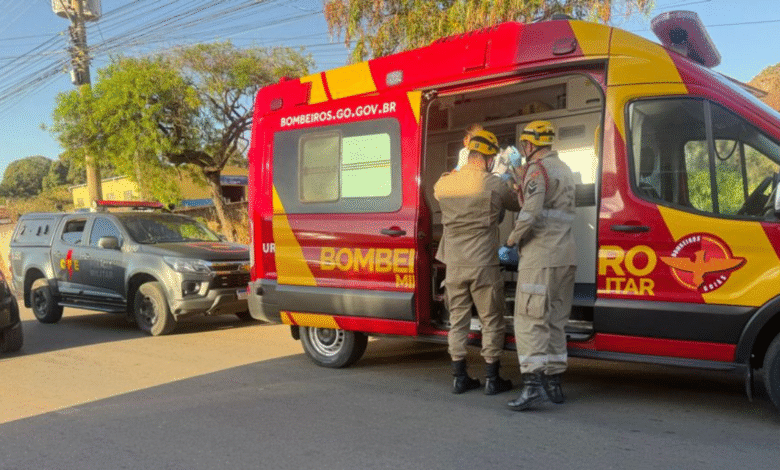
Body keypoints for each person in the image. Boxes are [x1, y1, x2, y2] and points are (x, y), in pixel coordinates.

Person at [434, 130, 520, 395]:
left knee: (458, 320)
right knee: (491, 319)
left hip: (455, 264)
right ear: (487, 157)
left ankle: (459, 377)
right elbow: (516, 205)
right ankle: (492, 379)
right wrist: (512, 178)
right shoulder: (492, 184)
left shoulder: (444, 184)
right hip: (483, 264)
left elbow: (438, 193)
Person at [501, 120, 576, 411]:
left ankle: (532, 387)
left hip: (541, 258)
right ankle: (554, 384)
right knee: (556, 320)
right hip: (566, 257)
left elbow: (530, 213)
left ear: (530, 145)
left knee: (530, 320)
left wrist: (509, 242)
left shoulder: (538, 169)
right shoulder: (564, 169)